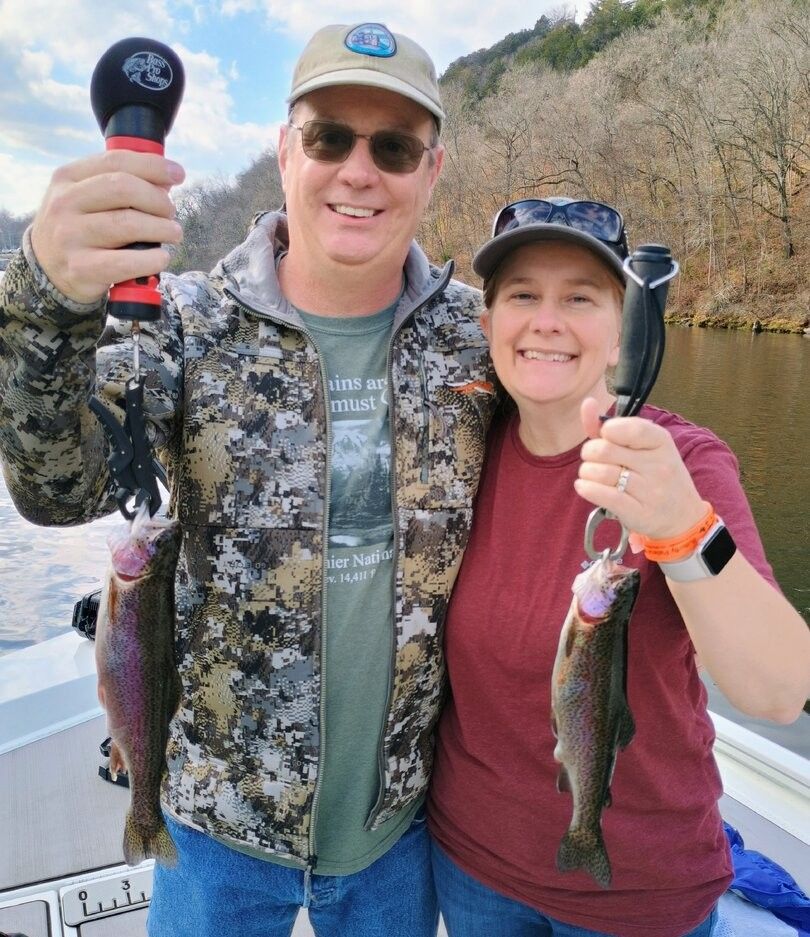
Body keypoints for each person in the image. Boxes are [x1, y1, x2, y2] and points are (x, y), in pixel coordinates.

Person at [0, 23, 496, 937]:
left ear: (431, 172)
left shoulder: (481, 339)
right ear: (284, 151)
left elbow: (583, 428)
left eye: (392, 147)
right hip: (210, 834)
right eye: (328, 137)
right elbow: (54, 486)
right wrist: (43, 297)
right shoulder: (183, 324)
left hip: (401, 832)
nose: (358, 170)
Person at [427, 196, 810, 937]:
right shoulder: (459, 445)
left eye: (580, 297)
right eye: (522, 296)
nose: (547, 320)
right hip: (468, 864)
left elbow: (779, 691)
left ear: (620, 331)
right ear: (488, 324)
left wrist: (683, 526)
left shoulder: (683, 462)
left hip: (638, 893)